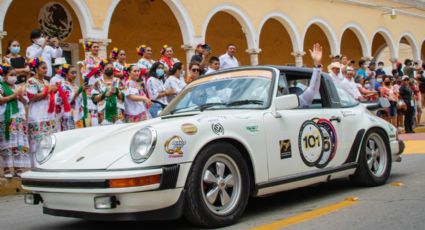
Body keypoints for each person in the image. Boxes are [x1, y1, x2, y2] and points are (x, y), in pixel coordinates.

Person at [26, 58, 57, 166]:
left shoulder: (46, 82)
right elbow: (32, 97)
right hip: (37, 113)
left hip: (47, 113)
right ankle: (35, 164)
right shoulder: (31, 81)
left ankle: (46, 163)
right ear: (36, 69)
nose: (46, 70)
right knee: (37, 139)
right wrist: (47, 91)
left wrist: (52, 91)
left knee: (47, 139)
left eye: (46, 68)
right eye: (43, 68)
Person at [0, 65, 30, 177]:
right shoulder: (1, 87)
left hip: (18, 117)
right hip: (7, 118)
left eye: (15, 75)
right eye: (11, 75)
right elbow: (1, 100)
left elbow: (25, 101)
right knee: (7, 143)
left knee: (18, 143)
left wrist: (20, 95)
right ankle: (7, 169)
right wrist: (14, 95)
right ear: (4, 76)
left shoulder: (18, 87)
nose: (14, 77)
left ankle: (18, 168)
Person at [56, 64, 85, 130]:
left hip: (77, 115)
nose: (74, 75)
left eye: (75, 73)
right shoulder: (63, 85)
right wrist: (80, 90)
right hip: (67, 116)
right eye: (72, 73)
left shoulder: (75, 86)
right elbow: (68, 100)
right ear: (66, 74)